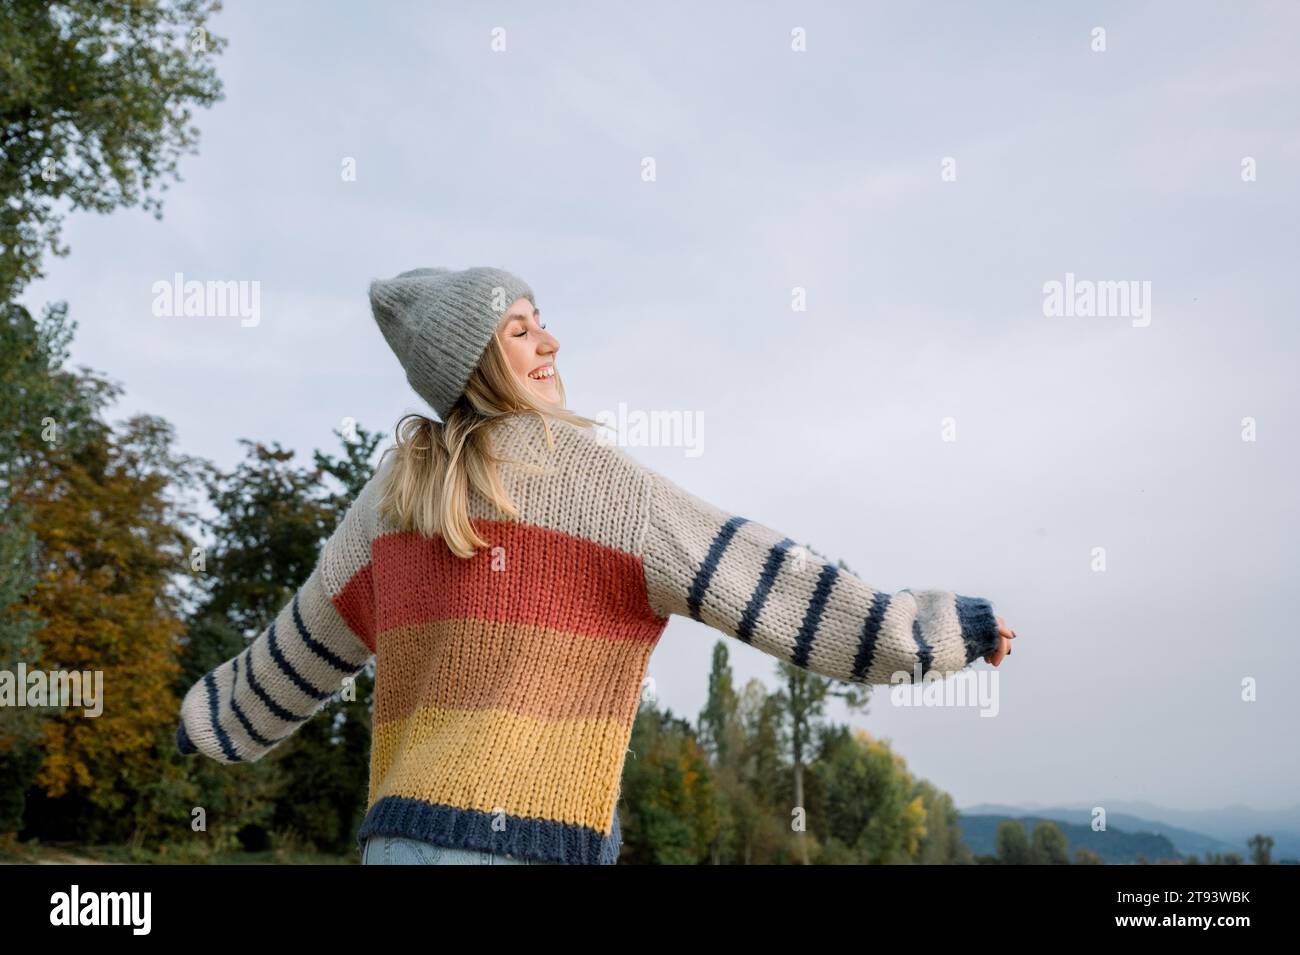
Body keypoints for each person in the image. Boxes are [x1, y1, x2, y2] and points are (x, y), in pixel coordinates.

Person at [175, 266, 1018, 866]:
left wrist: (210, 720)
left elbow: (292, 655)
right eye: (520, 327)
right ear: (472, 358)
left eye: (541, 319)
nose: (549, 339)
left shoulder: (391, 499)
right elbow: (775, 585)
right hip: (536, 838)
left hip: (397, 841)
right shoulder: (597, 484)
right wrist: (937, 632)